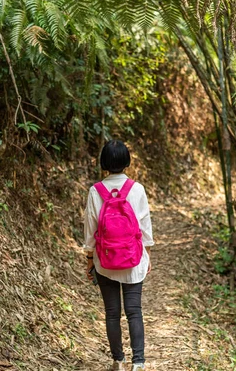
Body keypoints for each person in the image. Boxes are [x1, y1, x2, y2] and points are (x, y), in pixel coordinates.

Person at [83, 140, 154, 371]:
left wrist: (89, 258)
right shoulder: (138, 189)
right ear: (126, 161)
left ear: (104, 162)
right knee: (134, 311)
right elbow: (144, 225)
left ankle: (118, 361)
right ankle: (139, 363)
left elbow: (90, 227)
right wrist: (147, 253)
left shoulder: (96, 191)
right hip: (133, 260)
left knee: (112, 313)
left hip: (105, 261)